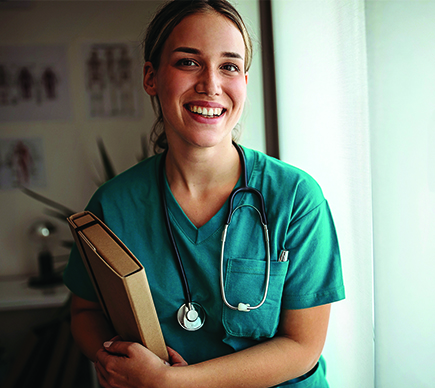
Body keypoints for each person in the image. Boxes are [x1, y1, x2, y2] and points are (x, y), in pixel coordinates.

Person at [63, 1, 345, 387]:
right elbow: (85, 313)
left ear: (244, 82)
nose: (210, 84)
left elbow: (302, 346)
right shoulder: (113, 205)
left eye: (229, 66)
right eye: (187, 62)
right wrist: (111, 357)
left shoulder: (295, 198)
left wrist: (173, 382)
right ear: (151, 77)